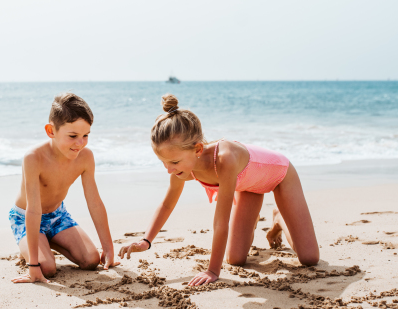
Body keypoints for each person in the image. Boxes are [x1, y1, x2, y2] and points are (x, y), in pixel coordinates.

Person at [118, 94, 319, 286]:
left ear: (197, 149)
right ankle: (256, 219)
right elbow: (167, 204)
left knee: (309, 258)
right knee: (236, 259)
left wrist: (213, 271)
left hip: (279, 175)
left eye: (174, 162)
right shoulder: (181, 168)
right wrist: (146, 241)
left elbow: (220, 221)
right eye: (163, 162)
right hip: (248, 186)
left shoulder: (225, 159)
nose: (169, 169)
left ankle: (279, 218)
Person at [10, 92, 119, 283]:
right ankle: (31, 249)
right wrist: (33, 266)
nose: (80, 143)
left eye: (86, 135)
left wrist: (108, 248)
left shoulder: (86, 157)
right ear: (51, 131)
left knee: (91, 260)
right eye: (73, 136)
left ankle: (48, 241)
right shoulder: (34, 158)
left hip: (58, 216)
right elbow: (33, 210)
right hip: (26, 216)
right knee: (46, 268)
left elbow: (94, 202)